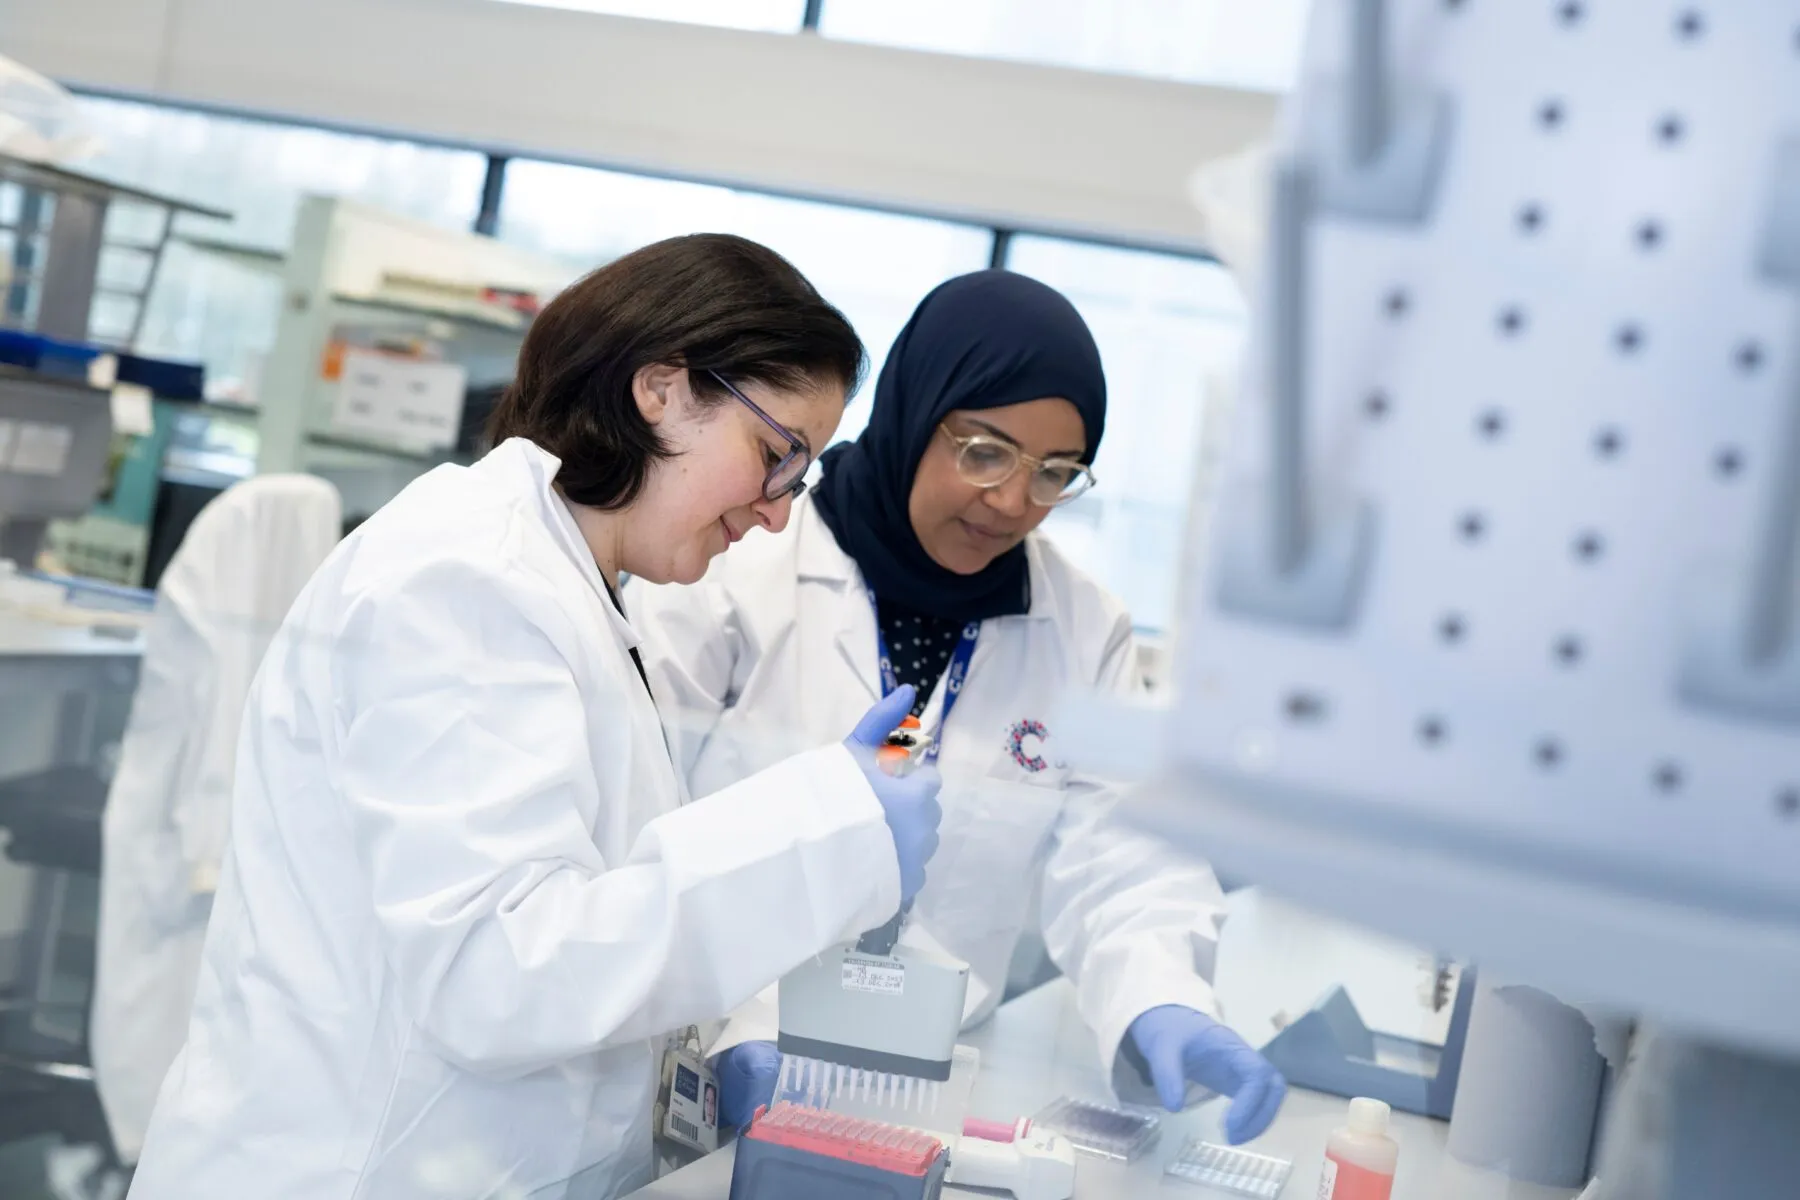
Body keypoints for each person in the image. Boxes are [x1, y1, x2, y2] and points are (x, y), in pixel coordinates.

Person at [126, 234, 943, 1200]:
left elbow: (583, 896)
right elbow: (497, 974)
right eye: (776, 455)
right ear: (663, 390)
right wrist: (820, 835)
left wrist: (724, 1031)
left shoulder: (573, 587)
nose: (777, 512)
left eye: (799, 477)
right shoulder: (464, 579)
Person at [632, 269, 1288, 1146]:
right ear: (913, 413)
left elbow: (1121, 855)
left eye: (1057, 472)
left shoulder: (1081, 628)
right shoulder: (738, 569)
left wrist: (1162, 997)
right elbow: (642, 824)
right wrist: (737, 1030)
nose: (1015, 502)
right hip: (723, 1053)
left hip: (933, 1085)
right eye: (984, 452)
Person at [91, 475, 343, 1166]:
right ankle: (143, 1136)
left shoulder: (230, 547)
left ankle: (142, 1139)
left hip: (189, 814)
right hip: (214, 821)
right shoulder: (287, 558)